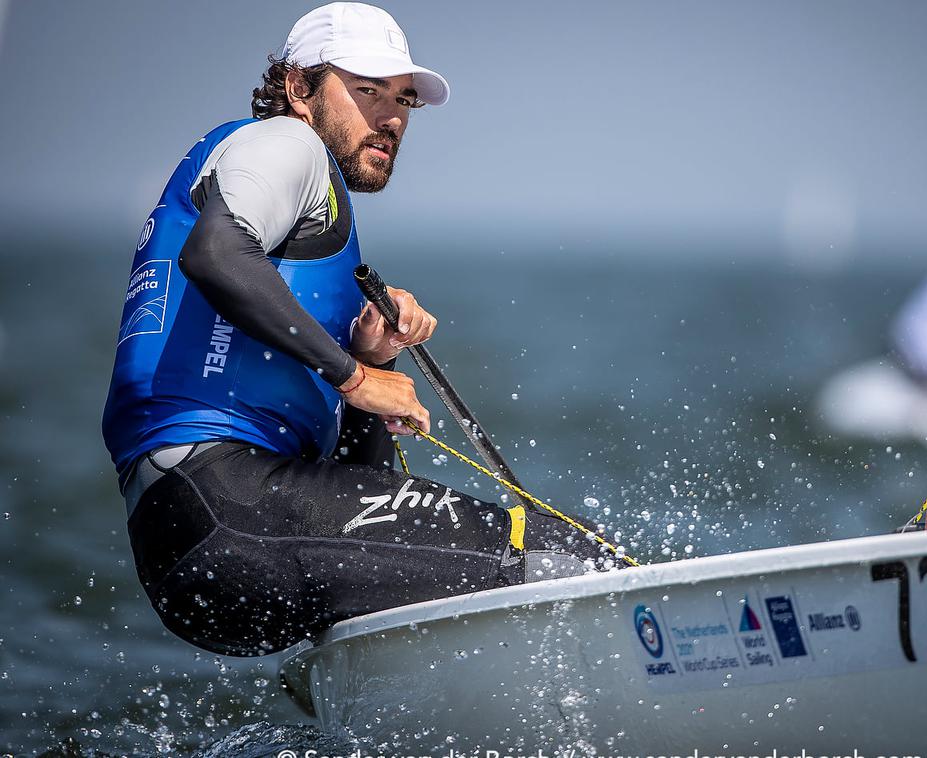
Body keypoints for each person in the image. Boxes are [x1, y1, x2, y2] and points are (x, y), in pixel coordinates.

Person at [102, 2, 607, 658]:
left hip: (196, 548)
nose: (390, 116)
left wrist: (371, 354)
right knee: (559, 551)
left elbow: (358, 482)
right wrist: (357, 376)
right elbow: (216, 254)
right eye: (366, 91)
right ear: (298, 88)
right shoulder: (283, 145)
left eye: (402, 100)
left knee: (478, 574)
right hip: (229, 505)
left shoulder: (300, 220)